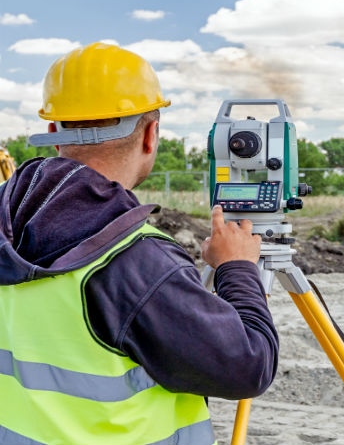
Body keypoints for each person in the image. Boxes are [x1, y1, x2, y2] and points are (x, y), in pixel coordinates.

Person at [0, 43, 278, 444]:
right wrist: (238, 268)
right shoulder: (137, 260)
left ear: (52, 133)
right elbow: (249, 366)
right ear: (151, 134)